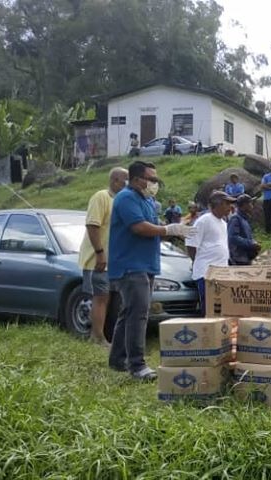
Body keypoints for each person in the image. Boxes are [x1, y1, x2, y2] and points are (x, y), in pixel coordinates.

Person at [108, 161, 194, 381]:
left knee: (128, 311)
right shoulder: (126, 198)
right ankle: (137, 365)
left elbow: (155, 229)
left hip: (145, 263)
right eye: (151, 178)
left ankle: (118, 359)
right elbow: (139, 227)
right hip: (130, 265)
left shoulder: (146, 200)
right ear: (137, 179)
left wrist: (177, 227)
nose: (154, 183)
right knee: (139, 313)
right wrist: (167, 228)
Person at [79, 167, 128, 347]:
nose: (127, 184)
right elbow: (93, 226)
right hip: (98, 260)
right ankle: (97, 337)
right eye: (125, 180)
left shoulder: (122, 201)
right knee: (101, 297)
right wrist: (100, 253)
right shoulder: (102, 197)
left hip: (116, 261)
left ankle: (105, 335)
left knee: (111, 300)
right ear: (115, 181)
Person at [185, 191, 233, 308]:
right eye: (227, 204)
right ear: (218, 204)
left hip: (221, 274)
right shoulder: (204, 220)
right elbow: (191, 245)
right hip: (206, 274)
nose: (231, 207)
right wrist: (199, 263)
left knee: (220, 309)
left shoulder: (224, 223)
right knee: (209, 309)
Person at [227, 194, 261, 265]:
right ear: (245, 205)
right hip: (238, 258)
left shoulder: (244, 218)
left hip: (245, 257)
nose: (252, 206)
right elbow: (233, 237)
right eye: (250, 203)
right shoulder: (235, 218)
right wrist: (251, 243)